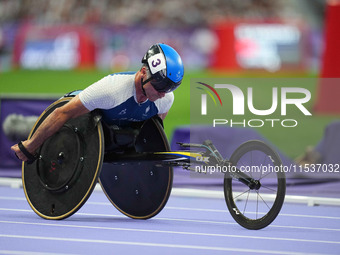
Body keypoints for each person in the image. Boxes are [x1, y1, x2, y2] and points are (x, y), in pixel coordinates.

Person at [11, 43, 184, 162]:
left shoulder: (165, 99)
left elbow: (149, 135)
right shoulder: (111, 90)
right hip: (73, 120)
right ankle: (16, 125)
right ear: (143, 72)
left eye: (169, 88)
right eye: (160, 86)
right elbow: (62, 113)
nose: (163, 94)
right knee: (26, 129)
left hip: (104, 132)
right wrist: (29, 146)